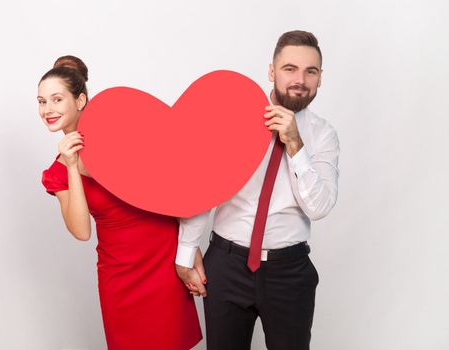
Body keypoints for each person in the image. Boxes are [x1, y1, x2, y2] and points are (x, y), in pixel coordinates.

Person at [175, 30, 340, 350]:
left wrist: (294, 143)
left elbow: (318, 207)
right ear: (271, 72)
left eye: (311, 71)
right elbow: (203, 187)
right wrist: (185, 251)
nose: (300, 79)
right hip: (226, 264)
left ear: (320, 79)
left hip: (289, 272)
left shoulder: (322, 136)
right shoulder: (232, 118)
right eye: (290, 68)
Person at [38, 55, 202, 350]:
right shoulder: (58, 172)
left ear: (80, 100)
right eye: (41, 101)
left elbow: (172, 189)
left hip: (163, 263)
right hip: (120, 278)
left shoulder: (123, 133)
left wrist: (191, 250)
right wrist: (73, 166)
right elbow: (81, 231)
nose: (47, 109)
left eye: (56, 99)